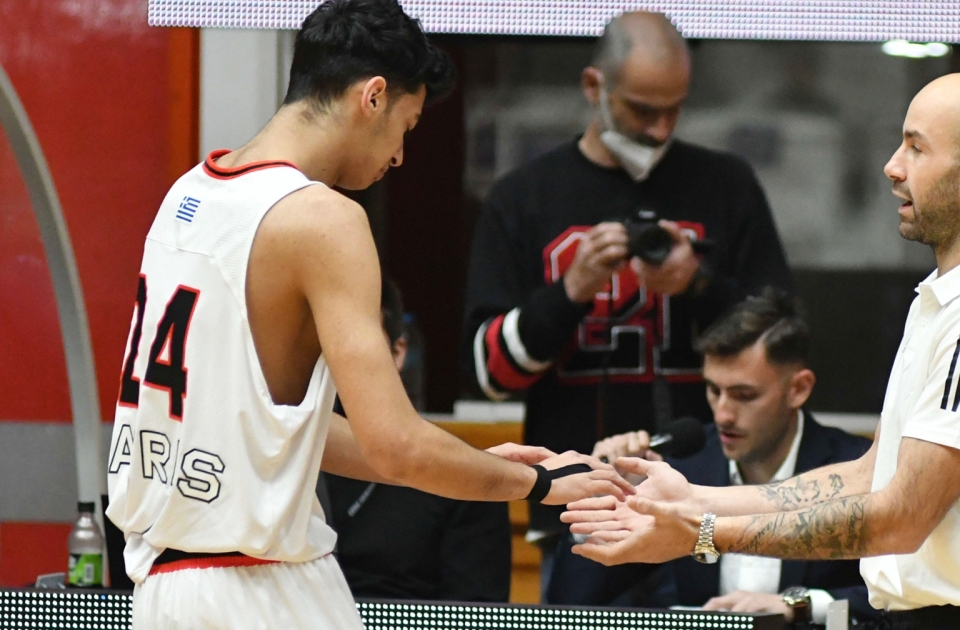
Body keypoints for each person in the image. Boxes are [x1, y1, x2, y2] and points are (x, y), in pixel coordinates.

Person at [104, 2, 632, 628]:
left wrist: (483, 466)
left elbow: (281, 431)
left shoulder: (188, 193)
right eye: (406, 126)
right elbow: (397, 446)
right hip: (258, 586)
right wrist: (538, 484)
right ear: (373, 97)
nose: (401, 156)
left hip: (164, 590)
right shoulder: (323, 218)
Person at [565, 72, 960, 630]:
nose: (892, 166)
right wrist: (696, 498)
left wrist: (702, 532)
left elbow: (900, 518)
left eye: (916, 147)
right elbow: (870, 476)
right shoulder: (945, 301)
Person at [461, 10, 793, 581]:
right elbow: (489, 375)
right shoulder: (524, 197)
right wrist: (570, 292)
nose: (661, 129)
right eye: (643, 109)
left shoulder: (726, 185)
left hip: (706, 500)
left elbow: (784, 344)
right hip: (576, 504)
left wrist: (697, 285)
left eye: (675, 109)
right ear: (594, 87)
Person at [547, 290, 878, 625]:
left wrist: (800, 604)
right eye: (713, 390)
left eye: (744, 395)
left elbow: (897, 598)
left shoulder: (856, 468)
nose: (722, 415)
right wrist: (604, 502)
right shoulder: (683, 469)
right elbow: (571, 604)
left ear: (798, 389)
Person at [324, 279, 511, 602]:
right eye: (323, 340)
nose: (338, 355)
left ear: (398, 352)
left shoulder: (461, 473)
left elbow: (477, 613)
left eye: (357, 339)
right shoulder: (279, 455)